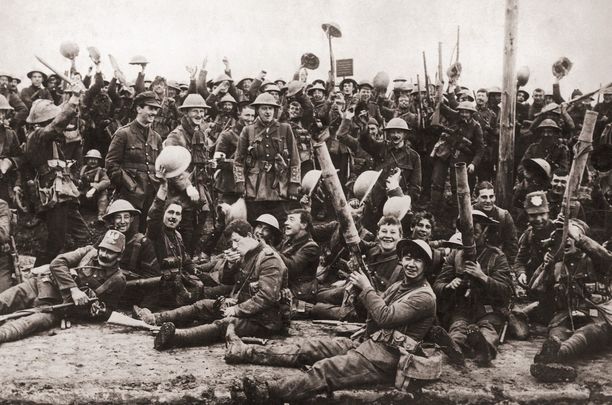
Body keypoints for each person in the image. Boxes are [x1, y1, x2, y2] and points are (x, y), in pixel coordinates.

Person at [233, 239, 439, 402]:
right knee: (311, 348)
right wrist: (359, 291)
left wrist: (366, 287)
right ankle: (247, 352)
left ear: (426, 266)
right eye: (408, 258)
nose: (411, 264)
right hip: (370, 346)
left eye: (418, 260)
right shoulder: (399, 286)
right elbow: (372, 314)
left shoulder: (424, 297)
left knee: (327, 368)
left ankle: (269, 392)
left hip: (387, 361)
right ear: (401, 260)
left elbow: (385, 316)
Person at [135, 219, 289, 351]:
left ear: (249, 236)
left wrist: (236, 309)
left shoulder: (269, 259)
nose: (234, 246)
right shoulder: (246, 253)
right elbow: (226, 281)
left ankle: (175, 337)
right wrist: (229, 264)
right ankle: (154, 319)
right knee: (201, 306)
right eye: (231, 242)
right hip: (243, 307)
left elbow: (267, 296)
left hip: (265, 320)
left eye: (236, 240)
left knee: (224, 324)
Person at [0, 230, 126, 344]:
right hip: (39, 285)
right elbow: (57, 263)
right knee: (3, 301)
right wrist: (74, 289)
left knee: (23, 326)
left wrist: (73, 315)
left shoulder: (117, 280)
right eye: (102, 249)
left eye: (110, 252)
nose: (103, 254)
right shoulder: (88, 252)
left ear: (119, 256)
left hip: (56, 308)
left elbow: (105, 311)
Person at [531, 220, 612, 382]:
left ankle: (556, 357)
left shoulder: (595, 261)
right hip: (565, 316)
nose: (566, 240)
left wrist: (580, 238)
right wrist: (545, 266)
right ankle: (553, 365)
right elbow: (534, 289)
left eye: (570, 236)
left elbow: (607, 260)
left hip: (596, 316)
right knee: (555, 335)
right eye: (563, 236)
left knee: (587, 332)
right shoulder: (557, 264)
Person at [23, 83, 91, 266]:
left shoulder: (51, 139)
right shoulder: (37, 136)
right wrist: (74, 99)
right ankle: (39, 274)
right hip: (52, 196)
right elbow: (56, 125)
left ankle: (81, 268)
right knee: (56, 241)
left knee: (82, 234)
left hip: (64, 193)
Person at [433, 210, 513, 366]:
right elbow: (437, 285)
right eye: (466, 233)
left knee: (487, 330)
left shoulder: (496, 256)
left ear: (485, 231)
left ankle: (484, 350)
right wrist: (449, 286)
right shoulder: (455, 255)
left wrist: (482, 276)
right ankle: (454, 349)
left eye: (475, 233)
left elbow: (505, 292)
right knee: (457, 329)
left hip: (487, 310)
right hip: (462, 309)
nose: (470, 238)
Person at [233, 93, 301, 222]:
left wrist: (294, 183)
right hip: (255, 187)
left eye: (270, 108)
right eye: (264, 108)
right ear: (257, 110)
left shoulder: (285, 129)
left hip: (279, 186)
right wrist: (240, 182)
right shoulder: (248, 130)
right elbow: (238, 161)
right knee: (256, 223)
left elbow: (295, 159)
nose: (268, 112)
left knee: (280, 223)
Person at [105, 91, 163, 232]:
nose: (154, 112)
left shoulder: (157, 137)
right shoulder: (123, 133)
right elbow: (111, 164)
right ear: (138, 109)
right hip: (129, 195)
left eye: (156, 109)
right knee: (129, 233)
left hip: (151, 194)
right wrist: (130, 186)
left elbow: (159, 165)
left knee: (147, 234)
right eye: (150, 108)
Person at [164, 93, 214, 255]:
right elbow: (172, 165)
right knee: (182, 226)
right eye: (195, 111)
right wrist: (188, 186)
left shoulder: (200, 133)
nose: (199, 115)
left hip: (199, 186)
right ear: (186, 113)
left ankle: (188, 260)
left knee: (199, 223)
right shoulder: (176, 136)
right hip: (179, 191)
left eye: (201, 111)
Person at [514, 191, 557, 288]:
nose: (538, 219)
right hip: (536, 285)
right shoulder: (529, 234)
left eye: (542, 214)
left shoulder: (558, 232)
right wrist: (521, 274)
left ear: (548, 212)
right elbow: (520, 260)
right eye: (533, 215)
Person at [278, 209, 320, 303]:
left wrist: (271, 251)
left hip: (299, 293)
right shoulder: (288, 241)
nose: (286, 223)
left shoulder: (311, 247)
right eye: (286, 219)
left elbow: (292, 267)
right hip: (288, 287)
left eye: (291, 220)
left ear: (303, 225)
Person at [473, 182, 518, 264]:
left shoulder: (503, 216)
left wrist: (507, 266)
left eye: (491, 197)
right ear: (476, 198)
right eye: (484, 197)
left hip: (495, 261)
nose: (488, 201)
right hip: (472, 259)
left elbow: (512, 246)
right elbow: (458, 243)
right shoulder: (468, 214)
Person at [0, 95, 24, 206]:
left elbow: (20, 157)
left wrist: (9, 161)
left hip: (4, 181)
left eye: (3, 112)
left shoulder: (10, 134)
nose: (1, 116)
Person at [78, 149, 110, 223]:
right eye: (90, 159)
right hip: (84, 194)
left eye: (95, 159)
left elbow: (106, 181)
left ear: (98, 161)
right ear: (87, 160)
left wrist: (95, 188)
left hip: (95, 196)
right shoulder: (82, 169)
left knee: (103, 195)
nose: (93, 161)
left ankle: (101, 215)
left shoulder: (101, 171)